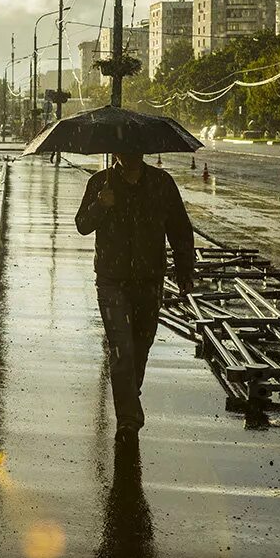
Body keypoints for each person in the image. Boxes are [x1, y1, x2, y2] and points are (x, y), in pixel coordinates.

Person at [75, 151, 194, 448]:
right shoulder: (100, 183)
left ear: (142, 152)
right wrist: (100, 205)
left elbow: (179, 229)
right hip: (111, 280)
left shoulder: (161, 183)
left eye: (134, 149)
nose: (128, 156)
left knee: (140, 348)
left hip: (149, 281)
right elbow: (82, 224)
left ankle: (130, 395)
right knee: (121, 350)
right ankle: (127, 419)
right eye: (123, 150)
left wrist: (184, 273)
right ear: (116, 153)